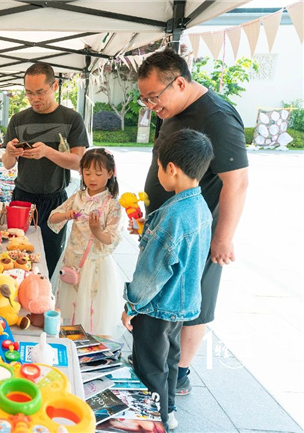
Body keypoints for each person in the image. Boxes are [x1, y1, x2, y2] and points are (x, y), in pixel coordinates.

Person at [136, 49, 249, 395]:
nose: (151, 106)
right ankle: (158, 364)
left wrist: (222, 238)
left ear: (180, 83)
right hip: (165, 224)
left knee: (190, 303)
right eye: (145, 100)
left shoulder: (217, 117)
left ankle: (179, 372)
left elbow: (237, 181)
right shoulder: (172, 109)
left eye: (154, 97)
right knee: (162, 297)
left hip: (196, 234)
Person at [121, 129, 214, 431]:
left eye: (159, 167)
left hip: (157, 306)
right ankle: (169, 410)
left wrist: (132, 305)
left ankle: (154, 421)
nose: (158, 172)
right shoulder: (199, 206)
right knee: (170, 361)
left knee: (149, 367)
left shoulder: (174, 214)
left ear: (171, 168)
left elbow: (152, 273)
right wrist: (147, 231)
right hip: (181, 305)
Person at [2, 62, 88, 276]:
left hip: (54, 200)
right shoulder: (18, 119)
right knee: (17, 254)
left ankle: (44, 293)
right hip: (22, 198)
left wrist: (48, 152)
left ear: (55, 86)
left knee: (49, 258)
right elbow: (7, 164)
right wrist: (10, 152)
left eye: (40, 92)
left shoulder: (72, 119)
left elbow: (79, 162)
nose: (34, 99)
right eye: (29, 93)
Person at [48, 148, 122, 336]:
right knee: (68, 302)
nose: (92, 178)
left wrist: (97, 231)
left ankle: (85, 342)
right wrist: (66, 215)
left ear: (110, 174)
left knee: (88, 306)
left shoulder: (112, 205)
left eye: (98, 173)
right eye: (87, 173)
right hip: (71, 259)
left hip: (93, 265)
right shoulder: (78, 197)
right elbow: (53, 218)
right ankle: (67, 338)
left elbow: (111, 239)